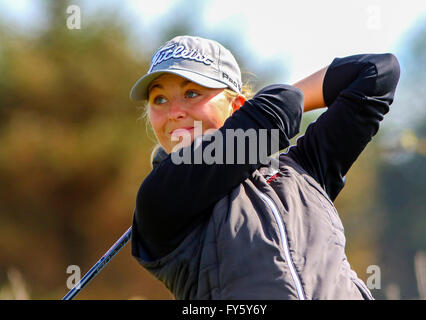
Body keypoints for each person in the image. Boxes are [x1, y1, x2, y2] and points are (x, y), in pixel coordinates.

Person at [129, 35, 401, 299]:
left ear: (236, 105)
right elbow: (271, 117)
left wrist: (260, 112)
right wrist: (261, 112)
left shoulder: (304, 171)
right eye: (159, 99)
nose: (174, 111)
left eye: (191, 93)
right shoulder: (162, 196)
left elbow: (377, 72)